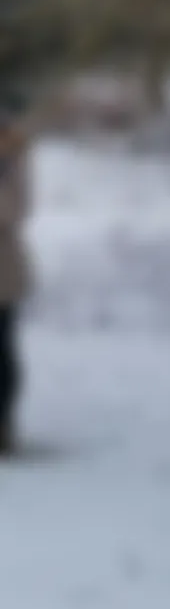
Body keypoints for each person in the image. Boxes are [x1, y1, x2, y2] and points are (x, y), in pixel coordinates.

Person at [0, 117, 31, 456]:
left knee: (1, 351)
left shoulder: (11, 155)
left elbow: (16, 208)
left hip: (3, 274)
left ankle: (3, 426)